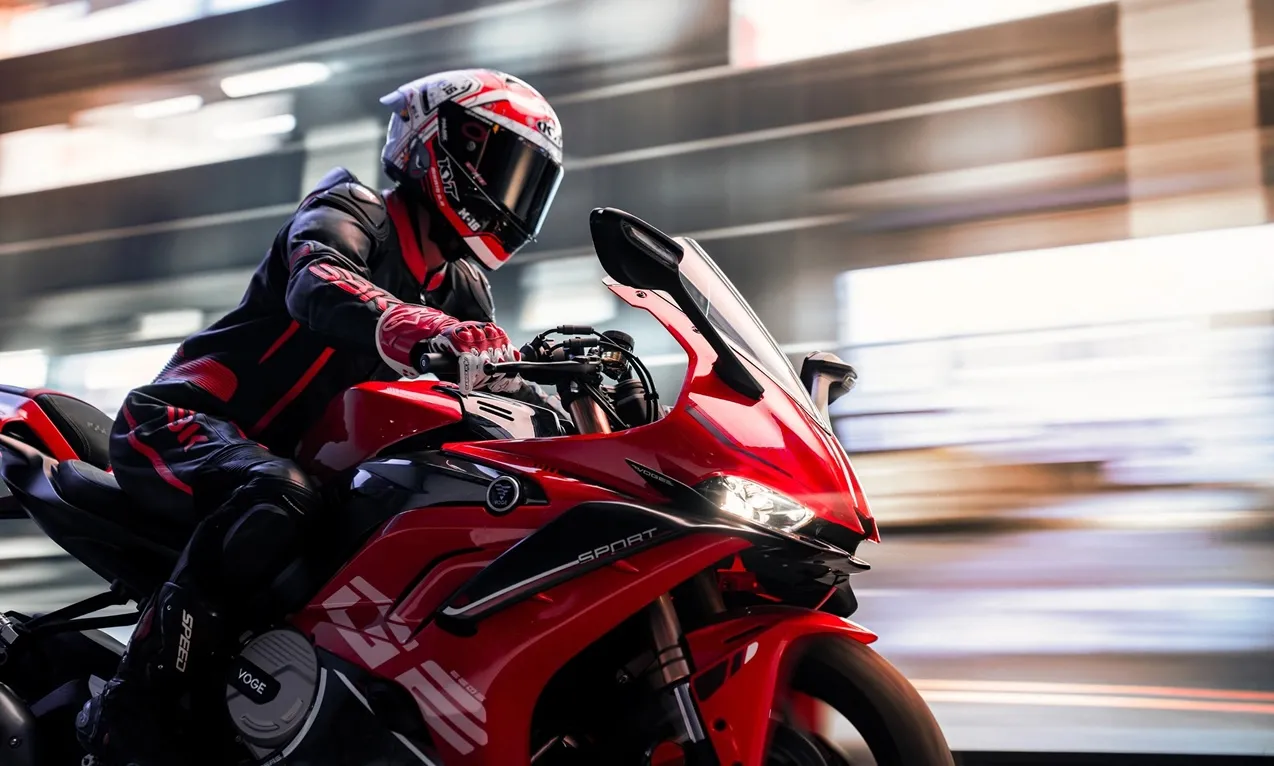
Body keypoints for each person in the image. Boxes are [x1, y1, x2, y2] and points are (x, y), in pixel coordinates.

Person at [76, 69, 566, 765]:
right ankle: (130, 713)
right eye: (501, 162)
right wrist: (405, 323)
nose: (510, 194)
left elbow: (500, 382)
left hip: (301, 463)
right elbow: (319, 274)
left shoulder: (462, 287)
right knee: (282, 495)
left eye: (528, 181)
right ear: (438, 141)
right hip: (185, 423)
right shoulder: (352, 207)